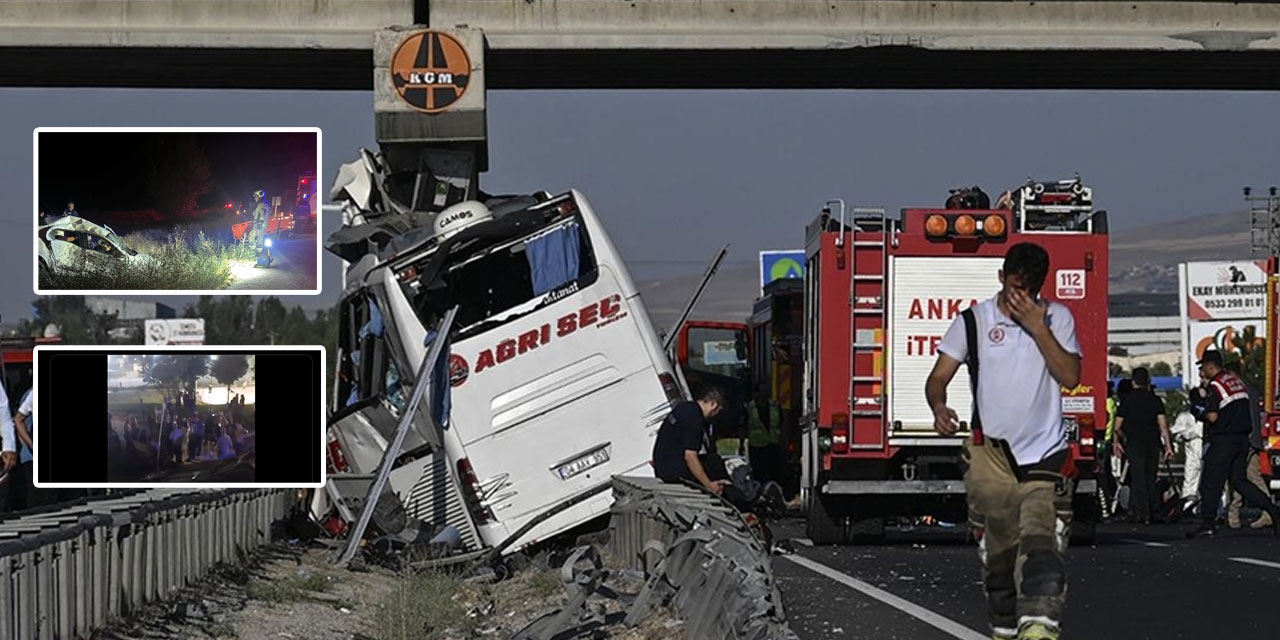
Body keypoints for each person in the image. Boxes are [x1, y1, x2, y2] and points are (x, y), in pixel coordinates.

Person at [926, 242, 1080, 640]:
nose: (1019, 297)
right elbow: (938, 377)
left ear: (1040, 287)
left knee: (1042, 549)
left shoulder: (1057, 319)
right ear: (1001, 278)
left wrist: (1038, 328)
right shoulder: (973, 322)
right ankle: (1004, 628)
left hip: (1044, 455)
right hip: (991, 457)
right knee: (1000, 562)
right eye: (1014, 287)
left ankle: (1040, 629)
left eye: (1027, 290)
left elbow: (1070, 376)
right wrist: (939, 408)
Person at [1186, 350, 1280, 538]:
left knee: (1210, 482)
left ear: (1211, 366)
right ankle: (1272, 510)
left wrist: (1197, 410)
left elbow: (1212, 416)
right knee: (1240, 481)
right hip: (1242, 440)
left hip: (1224, 440)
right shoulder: (1237, 383)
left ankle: (1208, 523)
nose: (1202, 371)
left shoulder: (1216, 385)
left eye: (1203, 367)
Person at [1112, 368, 1173, 524]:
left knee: (1138, 478)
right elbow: (1163, 426)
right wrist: (1168, 446)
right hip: (1152, 443)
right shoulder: (1155, 400)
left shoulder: (1126, 400)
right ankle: (1153, 511)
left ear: (1133, 382)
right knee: (1150, 477)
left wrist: (1119, 441)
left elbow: (1117, 426)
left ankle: (1141, 513)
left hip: (1134, 443)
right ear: (1148, 382)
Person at [1223, 361, 1273, 530]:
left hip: (1245, 441)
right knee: (1252, 477)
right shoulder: (1251, 391)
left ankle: (1234, 514)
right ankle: (1268, 511)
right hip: (1253, 441)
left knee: (1239, 478)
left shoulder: (1240, 393)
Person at [746, 383, 784, 485]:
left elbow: (782, 424)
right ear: (756, 394)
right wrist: (742, 443)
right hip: (756, 446)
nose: (765, 394)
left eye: (766, 391)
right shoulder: (749, 407)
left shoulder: (775, 405)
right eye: (762, 391)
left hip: (773, 444)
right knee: (759, 473)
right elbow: (743, 427)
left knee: (774, 472)